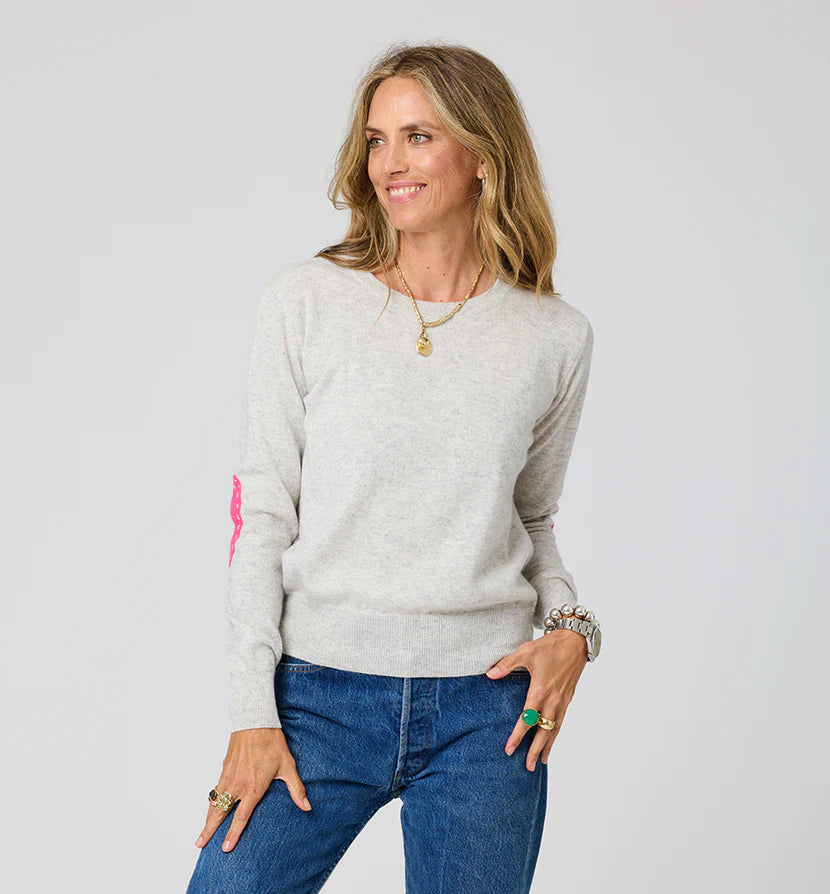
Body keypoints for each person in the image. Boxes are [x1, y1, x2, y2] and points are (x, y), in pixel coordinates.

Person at [186, 41, 602, 894]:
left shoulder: (553, 337)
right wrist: (252, 714)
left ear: (482, 155)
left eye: (418, 136)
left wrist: (573, 631)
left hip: (487, 710)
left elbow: (529, 520)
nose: (389, 163)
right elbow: (263, 516)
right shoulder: (306, 301)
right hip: (317, 699)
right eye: (377, 140)